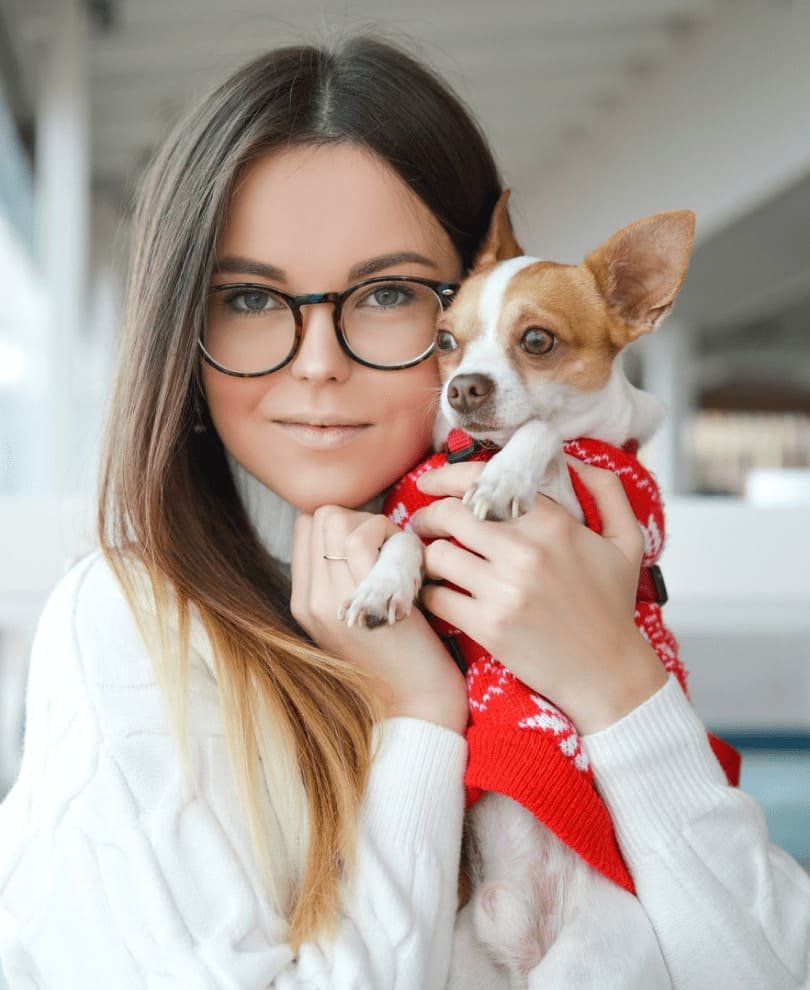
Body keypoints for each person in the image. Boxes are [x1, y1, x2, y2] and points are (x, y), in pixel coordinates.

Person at [0, 32, 808, 990]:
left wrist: (619, 685)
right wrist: (421, 716)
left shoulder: (562, 582)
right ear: (181, 329)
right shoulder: (132, 631)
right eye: (249, 298)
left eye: (387, 293)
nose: (317, 362)